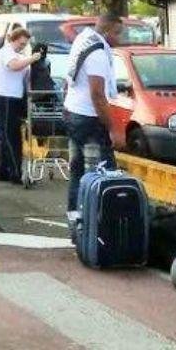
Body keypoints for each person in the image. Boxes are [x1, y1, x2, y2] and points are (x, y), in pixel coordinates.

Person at [63, 12, 125, 214]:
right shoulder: (97, 52)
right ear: (107, 31)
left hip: (73, 112)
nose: (119, 38)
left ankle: (76, 219)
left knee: (78, 170)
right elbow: (97, 94)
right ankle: (101, 223)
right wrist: (113, 129)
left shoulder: (82, 39)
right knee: (104, 173)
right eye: (117, 33)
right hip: (89, 119)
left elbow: (69, 78)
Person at [0, 28, 42, 183]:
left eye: (25, 44)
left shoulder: (19, 55)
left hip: (15, 98)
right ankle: (15, 172)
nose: (22, 46)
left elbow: (24, 76)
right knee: (12, 138)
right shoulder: (6, 52)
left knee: (8, 136)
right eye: (21, 43)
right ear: (13, 39)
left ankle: (3, 171)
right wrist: (32, 59)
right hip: (5, 97)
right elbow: (14, 66)